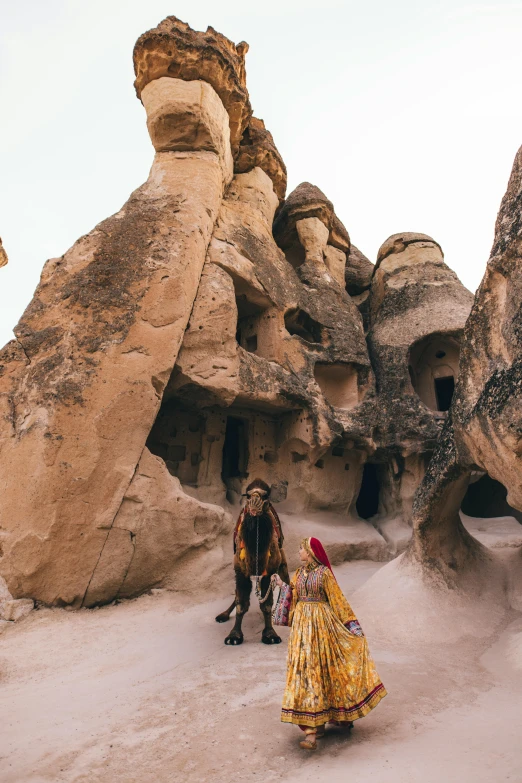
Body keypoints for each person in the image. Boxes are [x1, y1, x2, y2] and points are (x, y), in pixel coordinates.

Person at [273, 537, 386, 750]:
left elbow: (338, 601)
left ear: (311, 551)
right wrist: (282, 586)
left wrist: (353, 628)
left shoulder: (324, 575)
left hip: (323, 627)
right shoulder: (297, 574)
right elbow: (294, 598)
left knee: (325, 670)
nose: (299, 552)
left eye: (301, 548)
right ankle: (312, 728)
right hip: (301, 631)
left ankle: (325, 721)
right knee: (304, 673)